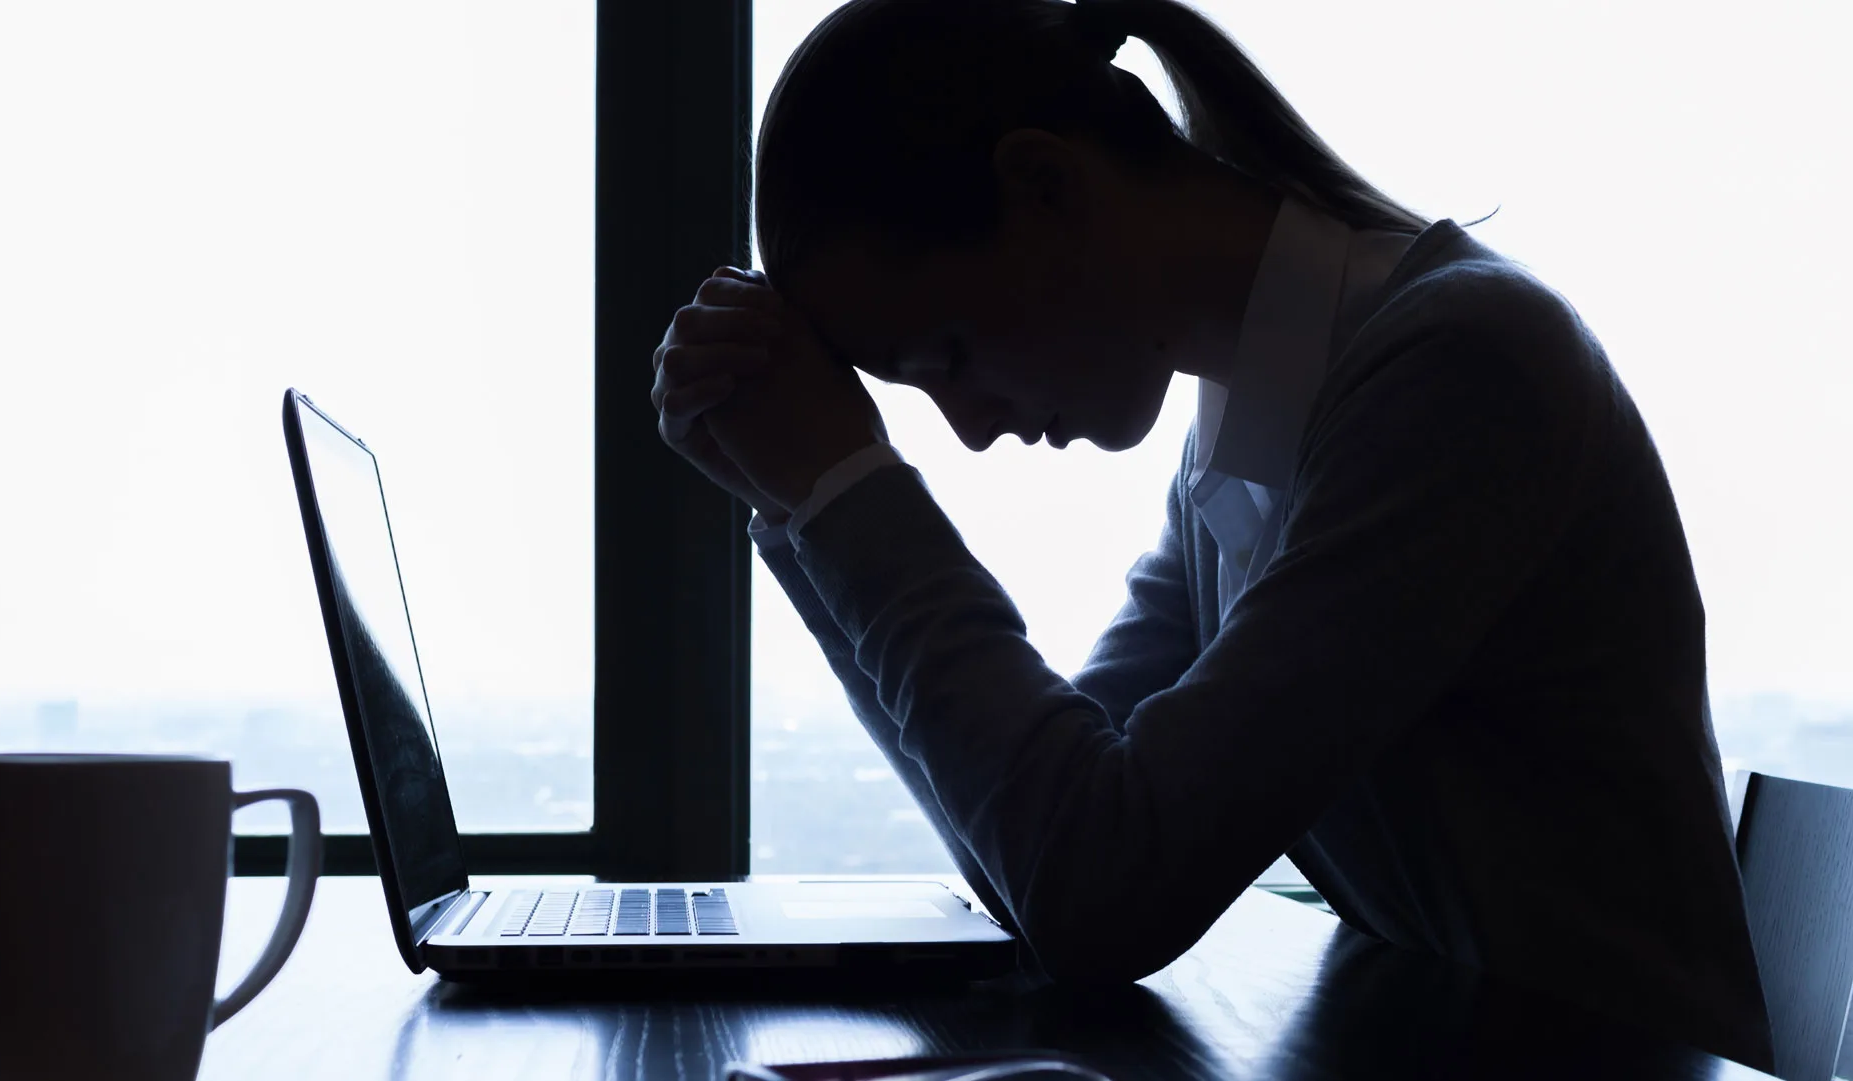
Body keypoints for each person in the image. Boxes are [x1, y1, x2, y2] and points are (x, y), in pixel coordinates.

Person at [649, 0, 1773, 1070]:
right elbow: (1035, 855)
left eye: (945, 354)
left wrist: (848, 499)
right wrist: (802, 511)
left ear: (1044, 186)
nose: (975, 430)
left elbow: (1097, 892)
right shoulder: (1249, 433)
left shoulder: (1459, 371)